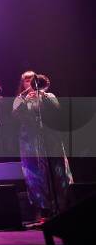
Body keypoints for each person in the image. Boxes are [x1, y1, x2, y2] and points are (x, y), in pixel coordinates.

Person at [12, 71, 73, 218]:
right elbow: (15, 115)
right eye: (26, 80)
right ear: (23, 84)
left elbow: (57, 109)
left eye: (32, 79)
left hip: (50, 138)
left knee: (57, 172)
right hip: (30, 141)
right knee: (35, 175)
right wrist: (26, 100)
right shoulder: (20, 99)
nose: (30, 82)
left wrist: (43, 95)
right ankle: (43, 210)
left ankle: (63, 207)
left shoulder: (49, 96)